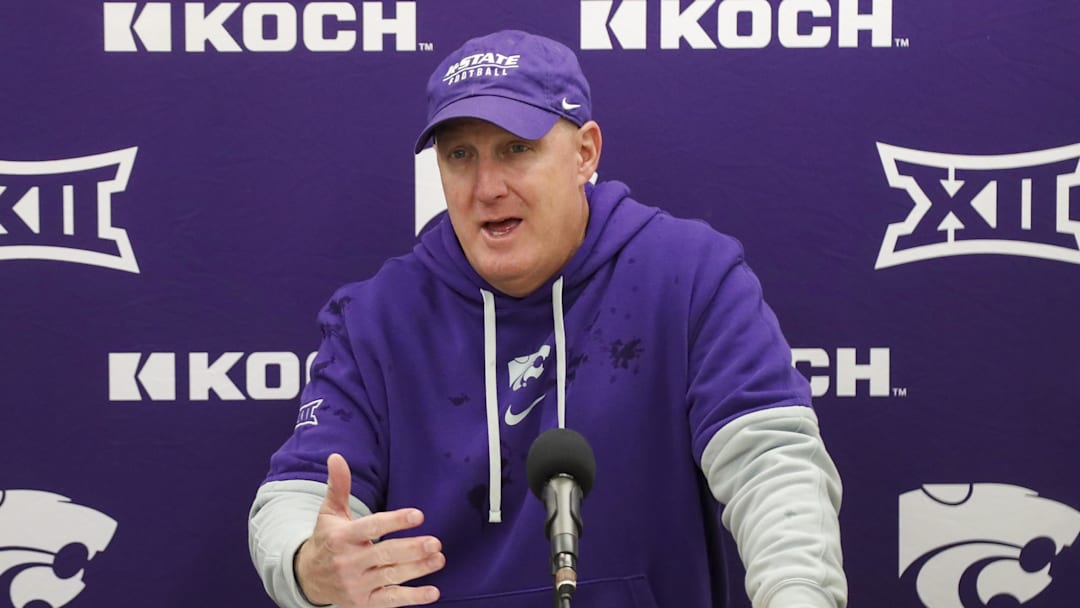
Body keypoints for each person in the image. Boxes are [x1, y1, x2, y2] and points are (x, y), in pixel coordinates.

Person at [249, 29, 846, 608]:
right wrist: (310, 567)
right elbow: (302, 495)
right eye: (460, 155)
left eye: (517, 148)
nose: (487, 187)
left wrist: (798, 594)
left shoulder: (690, 274)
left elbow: (770, 463)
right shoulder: (375, 316)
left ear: (585, 152)